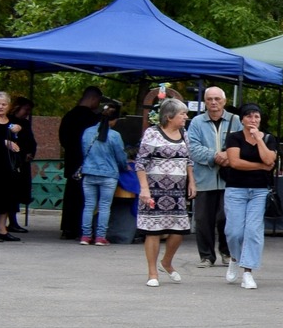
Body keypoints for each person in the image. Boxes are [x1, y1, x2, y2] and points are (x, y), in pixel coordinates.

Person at [133, 99, 196, 284]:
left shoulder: (184, 134)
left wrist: (192, 182)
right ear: (169, 117)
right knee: (153, 231)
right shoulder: (152, 134)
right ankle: (152, 273)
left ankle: (166, 262)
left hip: (177, 191)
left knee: (179, 230)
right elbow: (140, 162)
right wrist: (144, 189)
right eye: (182, 114)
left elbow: (189, 160)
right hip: (154, 190)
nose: (186, 117)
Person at [215, 103, 276, 289]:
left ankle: (248, 271)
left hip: (259, 191)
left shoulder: (268, 138)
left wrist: (259, 140)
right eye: (249, 116)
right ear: (242, 119)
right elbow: (234, 162)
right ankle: (234, 257)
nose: (253, 120)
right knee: (233, 231)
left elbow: (269, 160)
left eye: (256, 117)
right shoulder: (234, 138)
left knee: (253, 231)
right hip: (236, 189)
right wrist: (259, 167)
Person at [181, 88, 239, 267]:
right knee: (203, 220)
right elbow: (193, 148)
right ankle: (206, 256)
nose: (213, 102)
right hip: (204, 179)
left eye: (217, 99)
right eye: (209, 99)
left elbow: (242, 143)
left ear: (224, 100)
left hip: (229, 179)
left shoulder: (235, 121)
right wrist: (215, 156)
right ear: (205, 102)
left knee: (226, 217)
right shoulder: (197, 122)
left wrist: (228, 156)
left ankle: (227, 252)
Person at [77, 101, 128, 245]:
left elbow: (83, 151)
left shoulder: (87, 132)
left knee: (89, 205)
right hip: (108, 175)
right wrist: (125, 166)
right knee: (104, 206)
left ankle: (86, 236)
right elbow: (121, 156)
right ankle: (100, 237)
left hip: (89, 173)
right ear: (114, 120)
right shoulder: (115, 136)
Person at [58, 86, 103, 239]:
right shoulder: (92, 119)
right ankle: (81, 228)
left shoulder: (69, 115)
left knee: (71, 194)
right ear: (94, 99)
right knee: (85, 197)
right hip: (88, 162)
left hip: (72, 161)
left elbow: (62, 139)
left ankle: (67, 227)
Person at [0, 91, 24, 241]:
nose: (0, 107)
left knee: (6, 196)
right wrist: (4, 143)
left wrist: (17, 131)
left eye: (3, 104)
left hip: (8, 165)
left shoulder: (11, 121)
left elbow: (19, 141)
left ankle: (1, 229)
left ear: (9, 106)